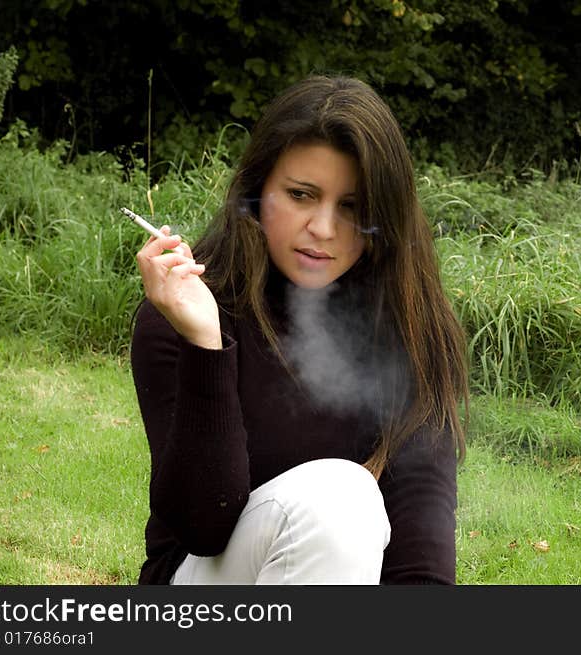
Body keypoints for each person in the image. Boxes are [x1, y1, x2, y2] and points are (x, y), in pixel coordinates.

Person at [130, 75, 469, 585]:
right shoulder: (184, 312)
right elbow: (202, 526)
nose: (325, 228)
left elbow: (422, 550)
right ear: (257, 190)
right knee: (340, 499)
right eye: (301, 195)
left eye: (352, 207)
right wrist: (207, 344)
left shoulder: (412, 324)